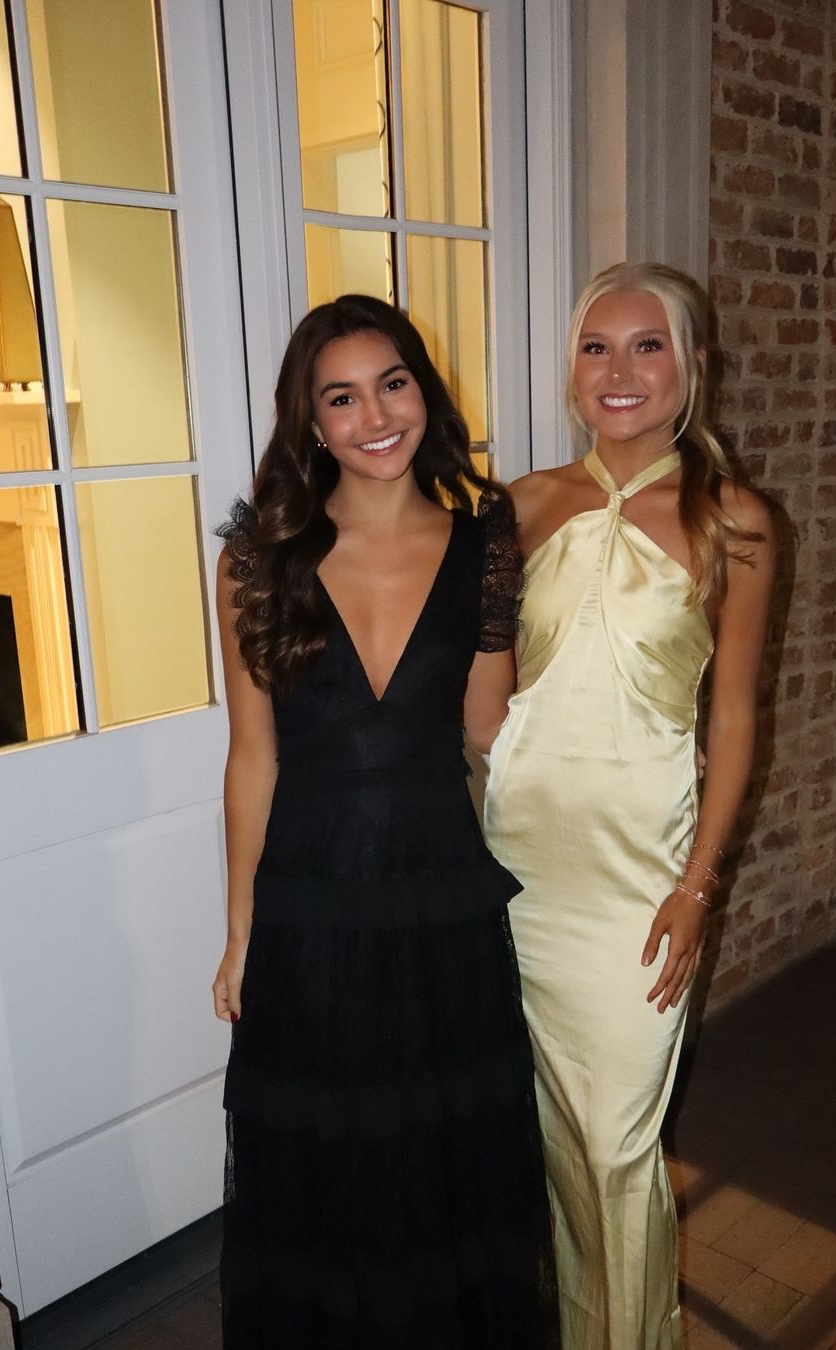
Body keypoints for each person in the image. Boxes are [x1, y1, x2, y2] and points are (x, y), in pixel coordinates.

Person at [212, 294, 558, 1348]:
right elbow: (253, 756)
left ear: (424, 391)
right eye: (342, 397)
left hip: (438, 900)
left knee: (437, 1158)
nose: (374, 416)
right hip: (308, 904)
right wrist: (239, 930)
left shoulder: (484, 547)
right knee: (325, 1161)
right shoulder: (255, 559)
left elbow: (492, 731)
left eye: (392, 383)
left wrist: (626, 767)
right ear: (311, 423)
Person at [484, 262, 775, 1350]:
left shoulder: (737, 523)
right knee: (544, 1142)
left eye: (646, 345)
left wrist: (699, 887)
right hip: (518, 866)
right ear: (572, 370)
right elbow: (479, 700)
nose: (619, 370)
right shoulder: (518, 507)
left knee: (616, 1147)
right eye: (596, 347)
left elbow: (734, 719)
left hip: (641, 878)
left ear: (691, 366)